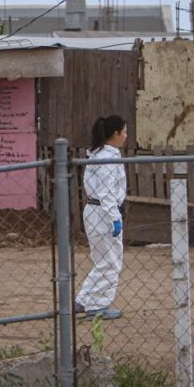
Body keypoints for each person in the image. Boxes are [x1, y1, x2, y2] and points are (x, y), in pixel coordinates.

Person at [75, 115, 128, 320]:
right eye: (123, 132)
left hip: (95, 211)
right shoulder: (107, 159)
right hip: (103, 212)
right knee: (111, 262)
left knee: (104, 260)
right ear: (115, 134)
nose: (125, 136)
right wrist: (114, 217)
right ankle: (90, 303)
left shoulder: (97, 155)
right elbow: (106, 192)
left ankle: (91, 302)